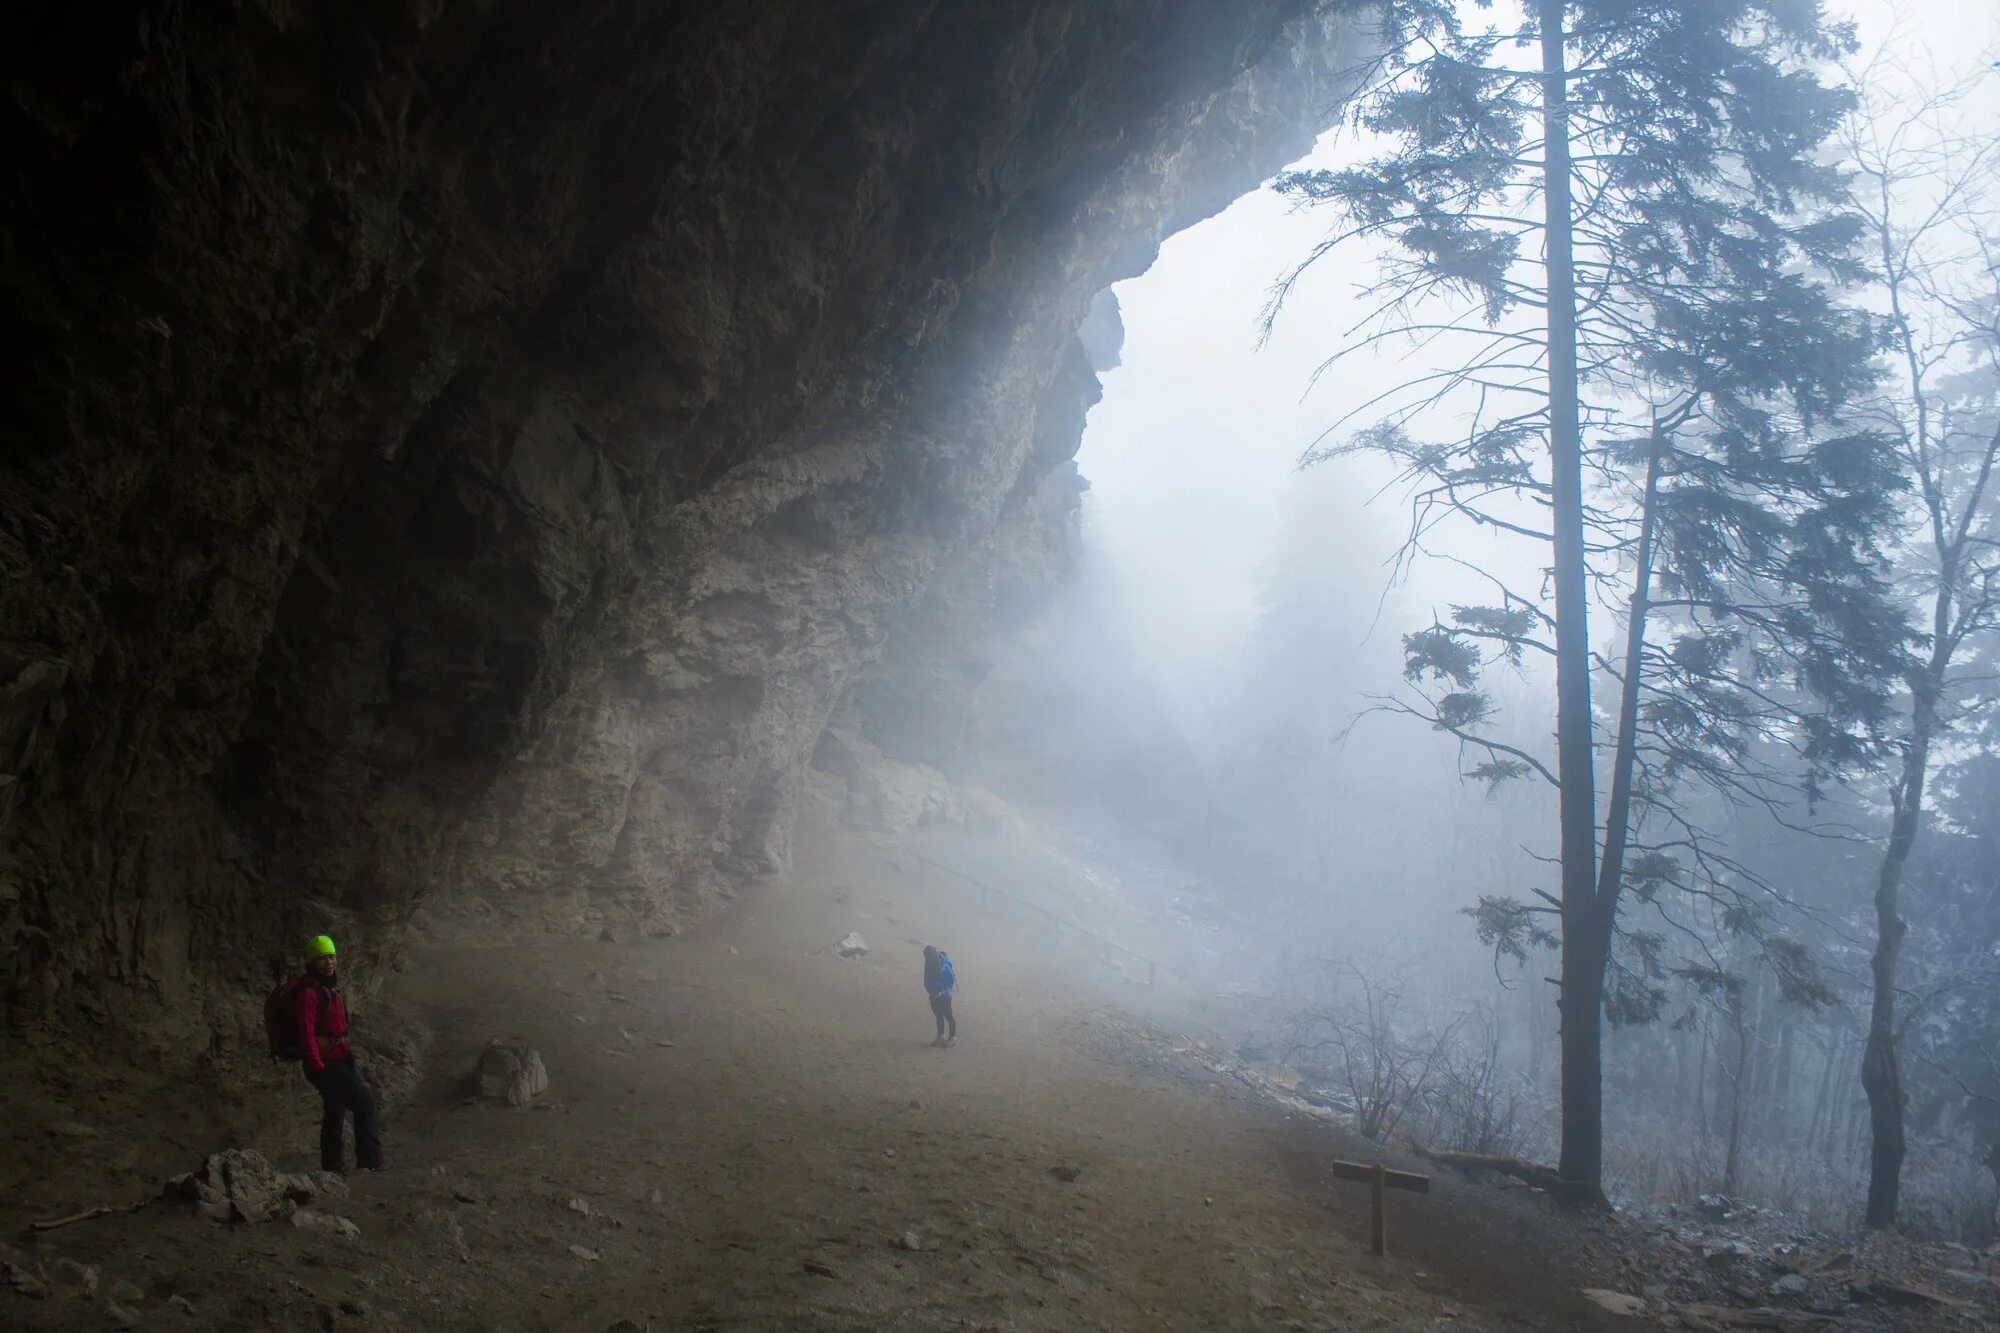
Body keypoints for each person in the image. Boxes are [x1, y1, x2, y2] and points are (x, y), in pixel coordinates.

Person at [297, 935, 383, 1173]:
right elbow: (305, 1032)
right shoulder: (310, 993)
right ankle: (370, 1161)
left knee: (335, 1110)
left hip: (336, 1060)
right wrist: (317, 1066)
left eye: (332, 956)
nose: (329, 962)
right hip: (326, 1064)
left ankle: (332, 1167)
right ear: (311, 962)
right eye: (322, 958)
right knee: (364, 1104)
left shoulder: (328, 987)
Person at [922, 944, 957, 1048]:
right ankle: (941, 1035)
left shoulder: (944, 967)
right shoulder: (929, 964)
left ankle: (953, 1037)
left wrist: (940, 989)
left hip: (944, 996)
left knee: (949, 1016)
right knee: (938, 1016)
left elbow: (951, 982)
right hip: (933, 994)